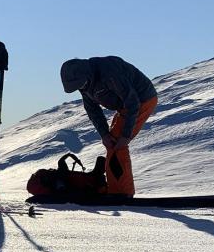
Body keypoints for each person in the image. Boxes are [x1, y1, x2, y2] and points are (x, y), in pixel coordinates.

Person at [60, 56, 158, 197]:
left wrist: (125, 136)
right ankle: (114, 189)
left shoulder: (108, 72)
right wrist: (104, 135)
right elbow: (93, 110)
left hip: (142, 100)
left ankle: (122, 192)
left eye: (80, 84)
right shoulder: (85, 83)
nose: (81, 88)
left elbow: (132, 102)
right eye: (77, 87)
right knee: (111, 142)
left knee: (119, 144)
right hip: (125, 107)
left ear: (85, 75)